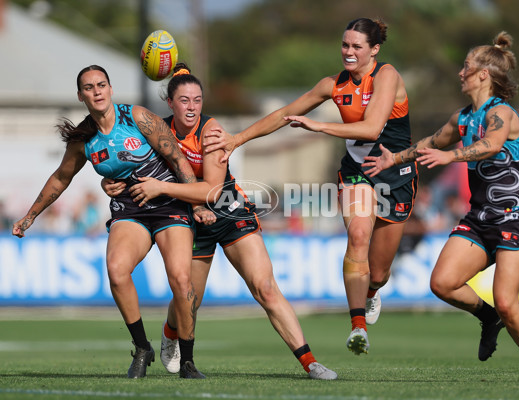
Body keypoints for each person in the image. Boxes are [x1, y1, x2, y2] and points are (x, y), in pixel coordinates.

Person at [102, 63, 337, 380]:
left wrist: (162, 188)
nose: (192, 107)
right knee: (188, 297)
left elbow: (211, 191)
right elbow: (130, 167)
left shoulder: (210, 133)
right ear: (169, 103)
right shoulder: (157, 133)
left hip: (228, 211)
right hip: (189, 219)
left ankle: (310, 362)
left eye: (197, 100)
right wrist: (110, 183)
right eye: (184, 100)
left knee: (265, 287)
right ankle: (171, 333)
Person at [203, 18, 417, 355]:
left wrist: (320, 126)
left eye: (356, 46)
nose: (348, 51)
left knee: (380, 271)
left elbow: (372, 128)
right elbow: (286, 113)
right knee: (358, 235)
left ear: (374, 50)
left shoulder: (387, 75)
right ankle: (357, 327)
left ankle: (372, 291)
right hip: (357, 172)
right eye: (345, 44)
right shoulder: (333, 84)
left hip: (395, 175)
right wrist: (237, 139)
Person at [362, 32, 519, 382]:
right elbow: (431, 143)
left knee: (508, 302)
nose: (460, 72)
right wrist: (395, 158)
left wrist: (449, 155)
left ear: (484, 74)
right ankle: (487, 318)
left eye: (466, 67)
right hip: (480, 217)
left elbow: (492, 146)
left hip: (516, 216)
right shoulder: (463, 117)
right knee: (443, 283)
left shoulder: (502, 113)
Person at [12, 65, 205, 379]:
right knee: (116, 271)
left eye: (101, 85)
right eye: (89, 87)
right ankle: (142, 347)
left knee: (182, 281)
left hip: (168, 204)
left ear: (111, 89)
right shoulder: (83, 138)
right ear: (80, 95)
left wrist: (195, 203)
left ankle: (187, 361)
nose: (97, 91)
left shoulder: (138, 117)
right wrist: (30, 216)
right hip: (130, 210)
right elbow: (61, 178)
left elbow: (177, 158)